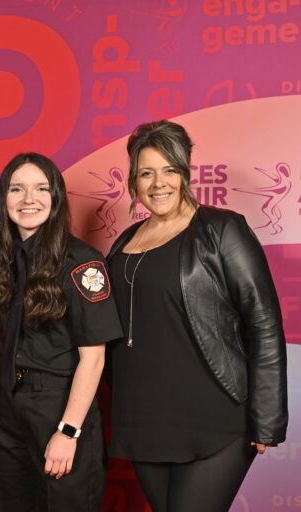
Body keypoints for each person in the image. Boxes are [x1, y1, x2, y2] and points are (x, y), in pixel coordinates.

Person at [106, 120, 288, 512]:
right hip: (144, 421)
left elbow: (264, 323)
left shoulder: (222, 229)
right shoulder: (124, 242)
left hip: (215, 418)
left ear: (186, 172)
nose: (159, 183)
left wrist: (268, 417)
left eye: (170, 169)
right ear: (133, 182)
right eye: (146, 173)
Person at [0, 153, 123, 511]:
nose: (28, 199)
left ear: (56, 198)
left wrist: (68, 431)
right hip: (9, 404)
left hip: (59, 405)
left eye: (41, 189)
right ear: (4, 200)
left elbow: (93, 359)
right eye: (17, 189)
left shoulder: (82, 263)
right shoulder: (3, 259)